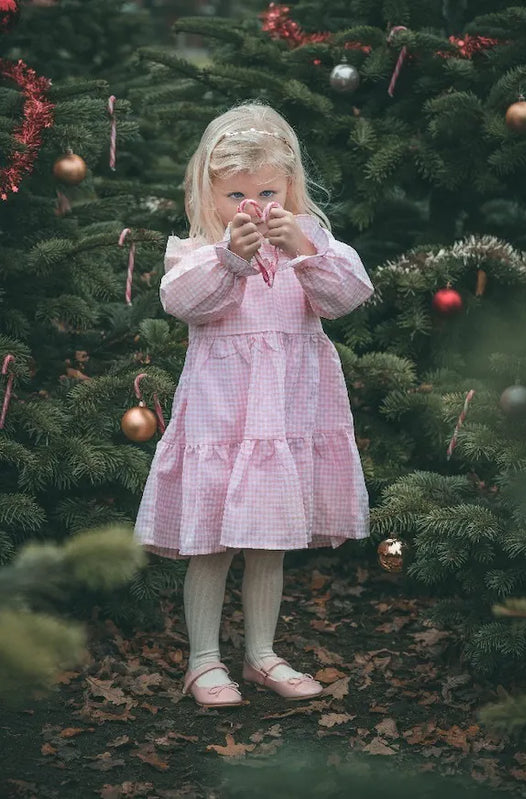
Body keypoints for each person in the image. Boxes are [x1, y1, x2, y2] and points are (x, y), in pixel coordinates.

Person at [134, 101, 374, 708]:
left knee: (267, 542)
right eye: (236, 193)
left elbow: (346, 295)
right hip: (222, 418)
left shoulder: (312, 242)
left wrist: (304, 250)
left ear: (290, 185)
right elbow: (186, 303)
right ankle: (203, 661)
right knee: (213, 542)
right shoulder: (198, 251)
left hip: (285, 417)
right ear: (208, 193)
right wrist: (232, 258)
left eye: (267, 189)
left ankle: (262, 654)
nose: (254, 205)